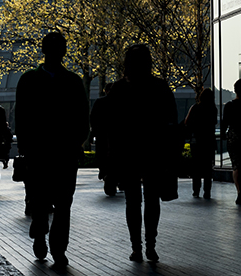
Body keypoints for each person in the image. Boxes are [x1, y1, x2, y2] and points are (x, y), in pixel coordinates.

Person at [15, 32, 89, 269]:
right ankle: (48, 239)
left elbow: (22, 118)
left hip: (54, 152)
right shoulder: (72, 82)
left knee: (59, 201)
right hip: (49, 152)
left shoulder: (30, 80)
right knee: (49, 200)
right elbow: (81, 118)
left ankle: (54, 244)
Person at [108, 44, 177, 263]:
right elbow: (170, 123)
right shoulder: (159, 86)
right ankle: (150, 245)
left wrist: (112, 159)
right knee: (152, 198)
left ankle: (136, 246)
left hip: (128, 152)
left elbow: (113, 127)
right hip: (153, 150)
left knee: (132, 200)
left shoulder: (118, 89)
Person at [184, 88, 217, 199]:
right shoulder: (213, 109)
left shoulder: (195, 108)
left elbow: (187, 123)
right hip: (209, 141)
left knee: (196, 167)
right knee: (208, 167)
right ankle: (207, 191)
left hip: (197, 141)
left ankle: (196, 190)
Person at [90, 82, 117, 196]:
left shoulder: (100, 102)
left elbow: (93, 119)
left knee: (103, 157)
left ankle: (105, 174)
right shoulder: (121, 103)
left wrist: (94, 133)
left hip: (103, 135)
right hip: (115, 136)